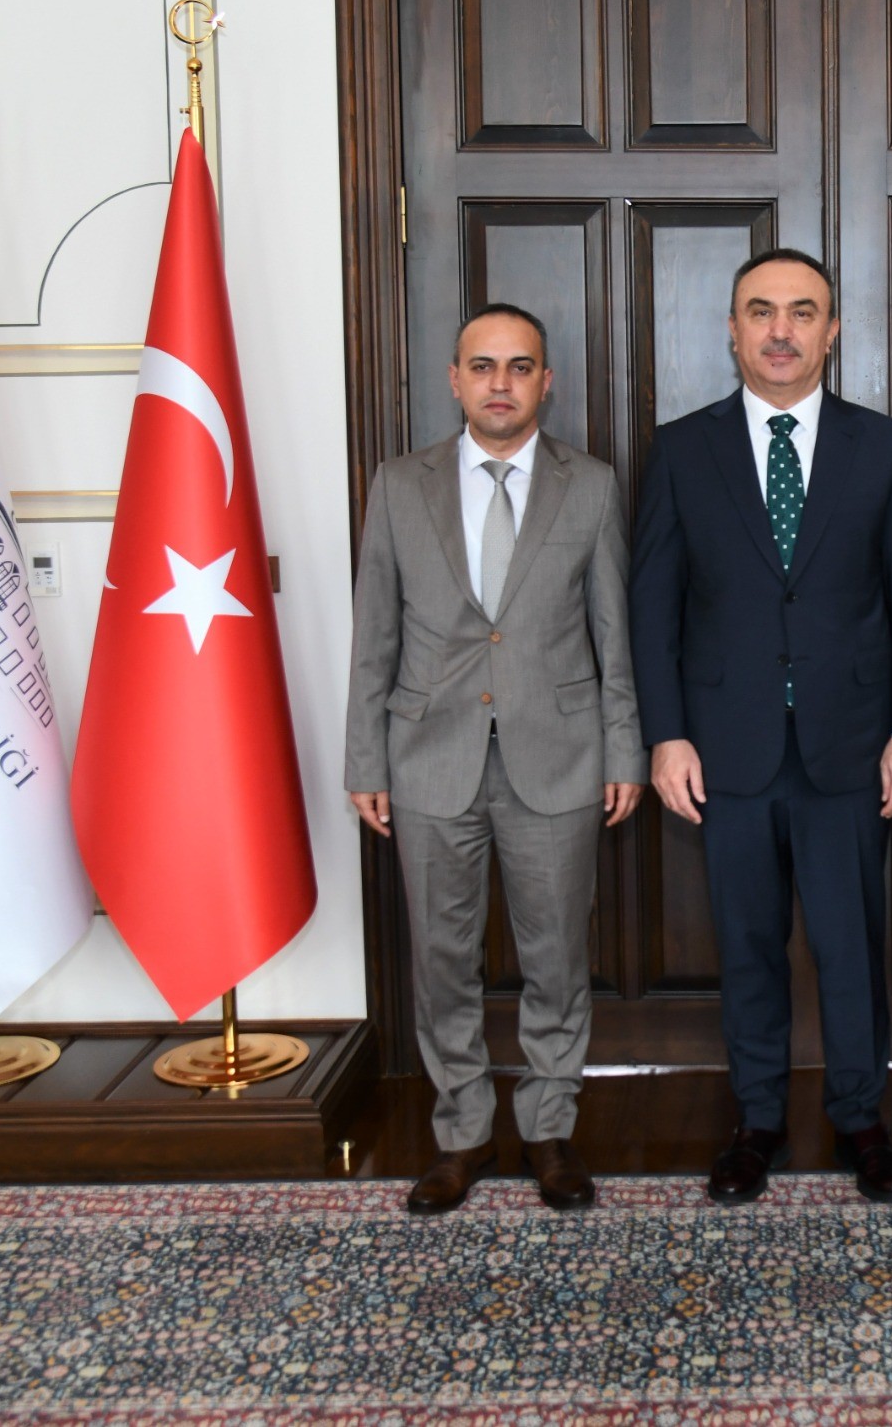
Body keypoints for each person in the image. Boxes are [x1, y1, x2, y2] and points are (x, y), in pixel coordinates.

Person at [629, 247, 892, 1205]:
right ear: (731, 328)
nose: (780, 330)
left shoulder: (881, 444)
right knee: (748, 944)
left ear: (832, 330)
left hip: (853, 747)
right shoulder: (682, 449)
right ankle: (757, 1119)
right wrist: (666, 733)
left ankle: (861, 1119)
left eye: (803, 312)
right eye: (760, 311)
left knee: (851, 946)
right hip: (726, 749)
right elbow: (653, 605)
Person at [345, 302, 644, 1215]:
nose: (500, 383)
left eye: (519, 367)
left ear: (546, 381)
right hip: (427, 758)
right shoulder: (400, 484)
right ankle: (462, 1132)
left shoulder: (591, 485)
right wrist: (366, 760)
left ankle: (549, 1125)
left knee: (557, 955)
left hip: (559, 756)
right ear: (455, 379)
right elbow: (374, 633)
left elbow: (613, 633)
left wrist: (624, 747)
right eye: (483, 366)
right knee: (443, 959)